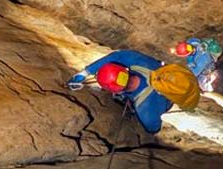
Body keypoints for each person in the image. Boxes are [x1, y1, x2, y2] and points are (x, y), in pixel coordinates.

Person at [67, 50, 200, 133]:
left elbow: (153, 128)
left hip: (165, 102)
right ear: (124, 70)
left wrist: (85, 73)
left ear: (114, 90)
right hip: (170, 77)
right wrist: (86, 72)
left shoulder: (144, 108)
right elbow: (117, 56)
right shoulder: (139, 62)